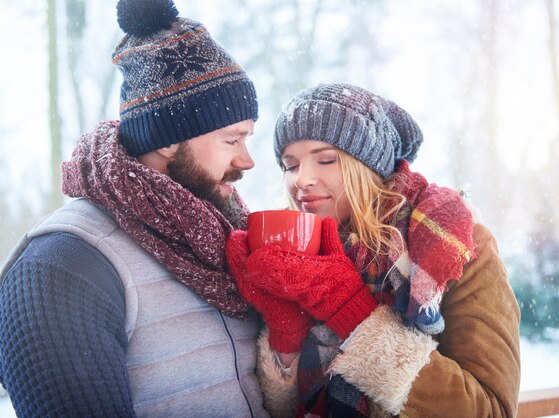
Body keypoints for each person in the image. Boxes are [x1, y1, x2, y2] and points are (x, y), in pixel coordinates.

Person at [0, 0, 268, 416]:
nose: (246, 161)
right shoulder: (65, 266)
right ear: (167, 141)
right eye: (231, 140)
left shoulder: (223, 242)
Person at [226, 83, 521, 417]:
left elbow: (491, 410)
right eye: (290, 165)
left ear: (369, 166)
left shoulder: (456, 246)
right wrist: (286, 338)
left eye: (325, 160)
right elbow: (284, 410)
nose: (302, 179)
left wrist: (354, 314)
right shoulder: (300, 254)